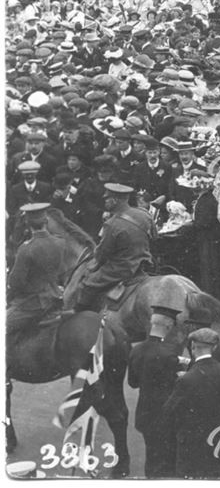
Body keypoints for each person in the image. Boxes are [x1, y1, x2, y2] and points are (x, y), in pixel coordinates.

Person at [162, 328, 220, 479]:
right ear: (214, 347)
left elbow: (169, 412)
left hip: (192, 448)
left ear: (192, 347)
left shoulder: (186, 379)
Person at [75, 183, 153, 312]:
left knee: (86, 285)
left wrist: (92, 267)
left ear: (114, 200)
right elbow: (154, 237)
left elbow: (102, 254)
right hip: (143, 264)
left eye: (107, 199)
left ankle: (82, 315)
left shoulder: (112, 225)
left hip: (120, 269)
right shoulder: (144, 215)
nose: (104, 201)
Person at [127, 306, 185, 478]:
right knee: (167, 462)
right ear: (168, 327)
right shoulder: (169, 353)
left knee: (152, 458)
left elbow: (133, 383)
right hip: (167, 414)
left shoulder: (136, 350)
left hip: (145, 412)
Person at [6, 203, 66, 335]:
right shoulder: (60, 242)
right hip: (56, 296)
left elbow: (16, 283)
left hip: (32, 303)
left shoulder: (26, 248)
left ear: (27, 223)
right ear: (46, 221)